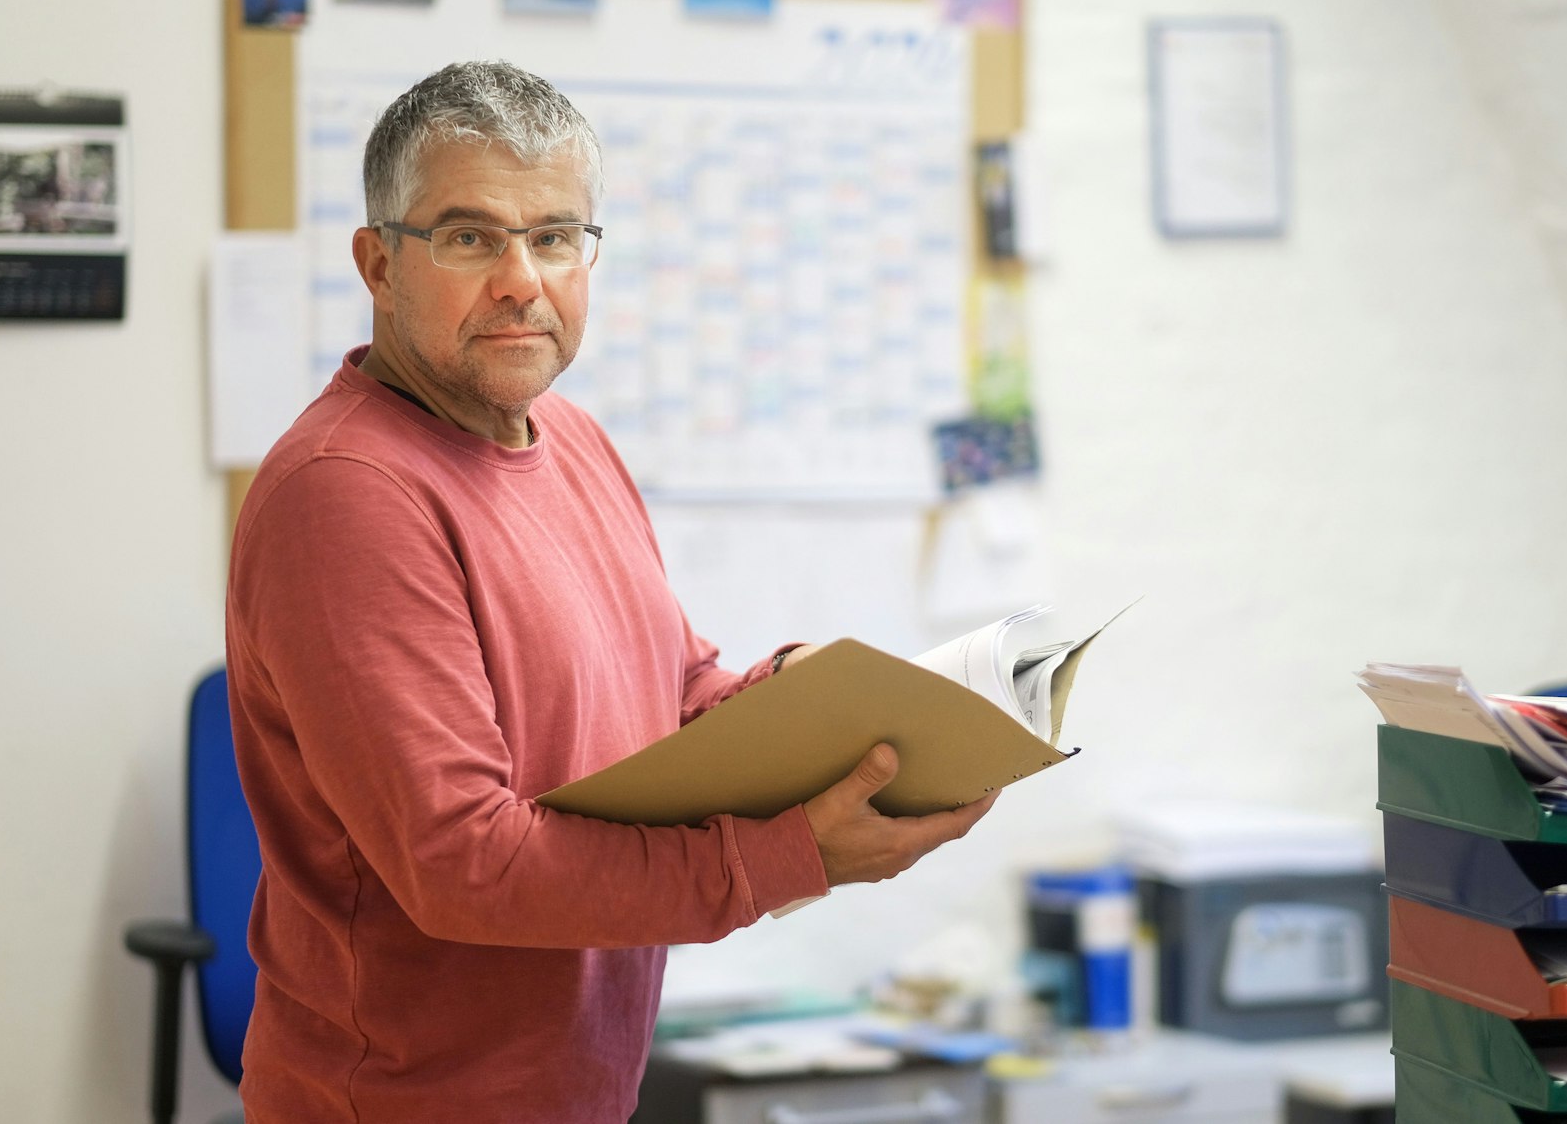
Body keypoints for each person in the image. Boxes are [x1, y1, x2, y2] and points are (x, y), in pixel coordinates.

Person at [224, 60, 996, 1124]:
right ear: (377, 262)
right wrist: (790, 856)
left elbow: (669, 692)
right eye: (468, 236)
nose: (520, 279)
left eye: (552, 236)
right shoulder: (348, 495)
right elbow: (462, 861)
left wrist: (805, 694)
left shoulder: (570, 437)